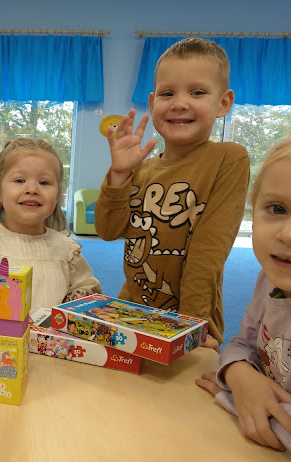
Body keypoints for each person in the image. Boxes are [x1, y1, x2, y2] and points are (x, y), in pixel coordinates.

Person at [94, 38, 250, 346]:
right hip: (131, 313)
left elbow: (208, 253)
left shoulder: (228, 159)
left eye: (197, 92)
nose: (179, 103)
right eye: (168, 93)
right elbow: (107, 231)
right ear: (153, 104)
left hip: (189, 319)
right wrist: (119, 175)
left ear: (223, 103)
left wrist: (191, 328)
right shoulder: (140, 168)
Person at [196, 127, 291, 462]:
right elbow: (242, 344)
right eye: (277, 208)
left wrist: (236, 397)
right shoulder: (270, 280)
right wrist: (239, 373)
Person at [0, 138, 102, 316]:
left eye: (44, 182)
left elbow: (87, 287)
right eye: (20, 180)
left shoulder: (66, 250)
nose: (32, 189)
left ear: (57, 195)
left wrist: (75, 302)